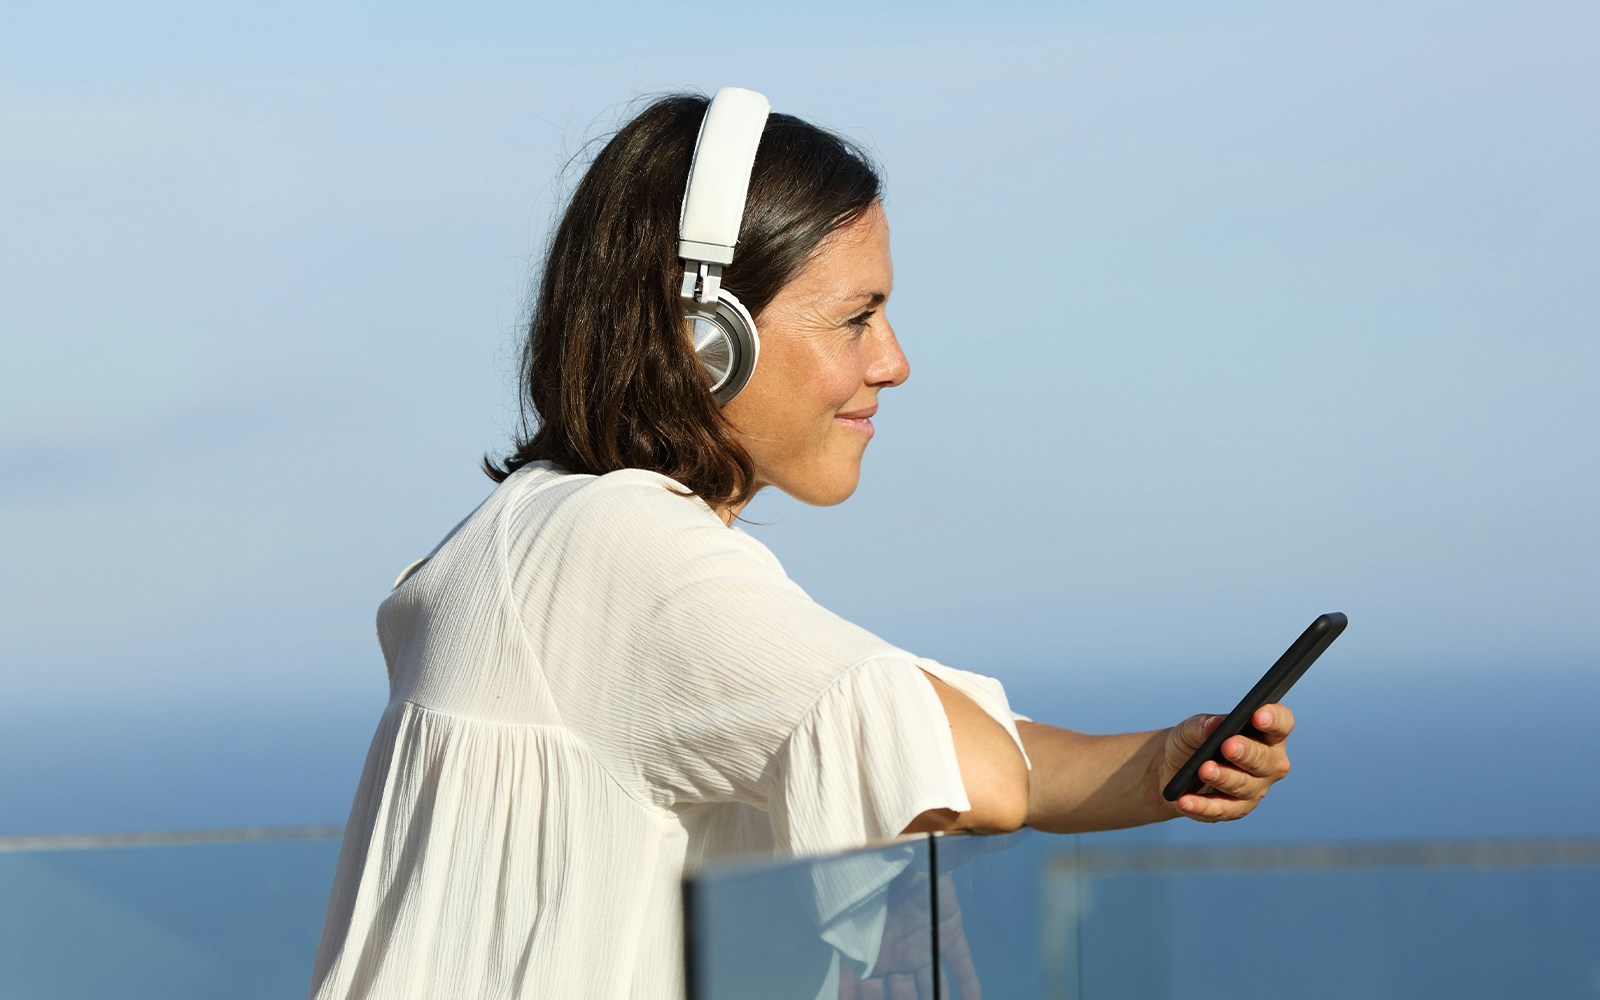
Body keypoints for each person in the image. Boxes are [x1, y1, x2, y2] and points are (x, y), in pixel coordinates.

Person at [307, 88, 1294, 1000]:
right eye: (856, 318)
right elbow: (976, 775)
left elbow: (966, 755)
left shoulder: (541, 527)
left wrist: (1164, 761)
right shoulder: (621, 549)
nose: (894, 362)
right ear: (703, 338)